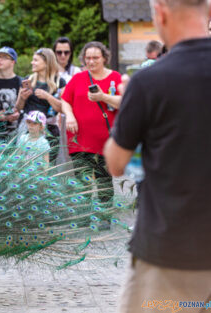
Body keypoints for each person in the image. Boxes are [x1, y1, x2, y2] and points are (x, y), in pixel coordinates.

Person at [103, 0, 211, 311]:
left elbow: (115, 163)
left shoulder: (149, 81)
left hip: (171, 249)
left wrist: (129, 112)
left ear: (160, 12)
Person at [61, 41, 122, 201]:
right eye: (88, 58)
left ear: (104, 58)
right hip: (80, 140)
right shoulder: (78, 78)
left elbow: (124, 101)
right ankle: (85, 222)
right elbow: (65, 100)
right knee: (83, 183)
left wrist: (103, 97)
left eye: (95, 57)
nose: (91, 61)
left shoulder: (115, 77)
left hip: (106, 141)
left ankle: (104, 221)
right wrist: (70, 116)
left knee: (105, 184)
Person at [16, 48, 66, 137]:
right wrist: (22, 98)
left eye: (35, 60)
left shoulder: (60, 82)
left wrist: (48, 97)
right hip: (27, 128)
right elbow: (18, 108)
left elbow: (63, 108)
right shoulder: (28, 80)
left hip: (49, 130)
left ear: (47, 63)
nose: (32, 63)